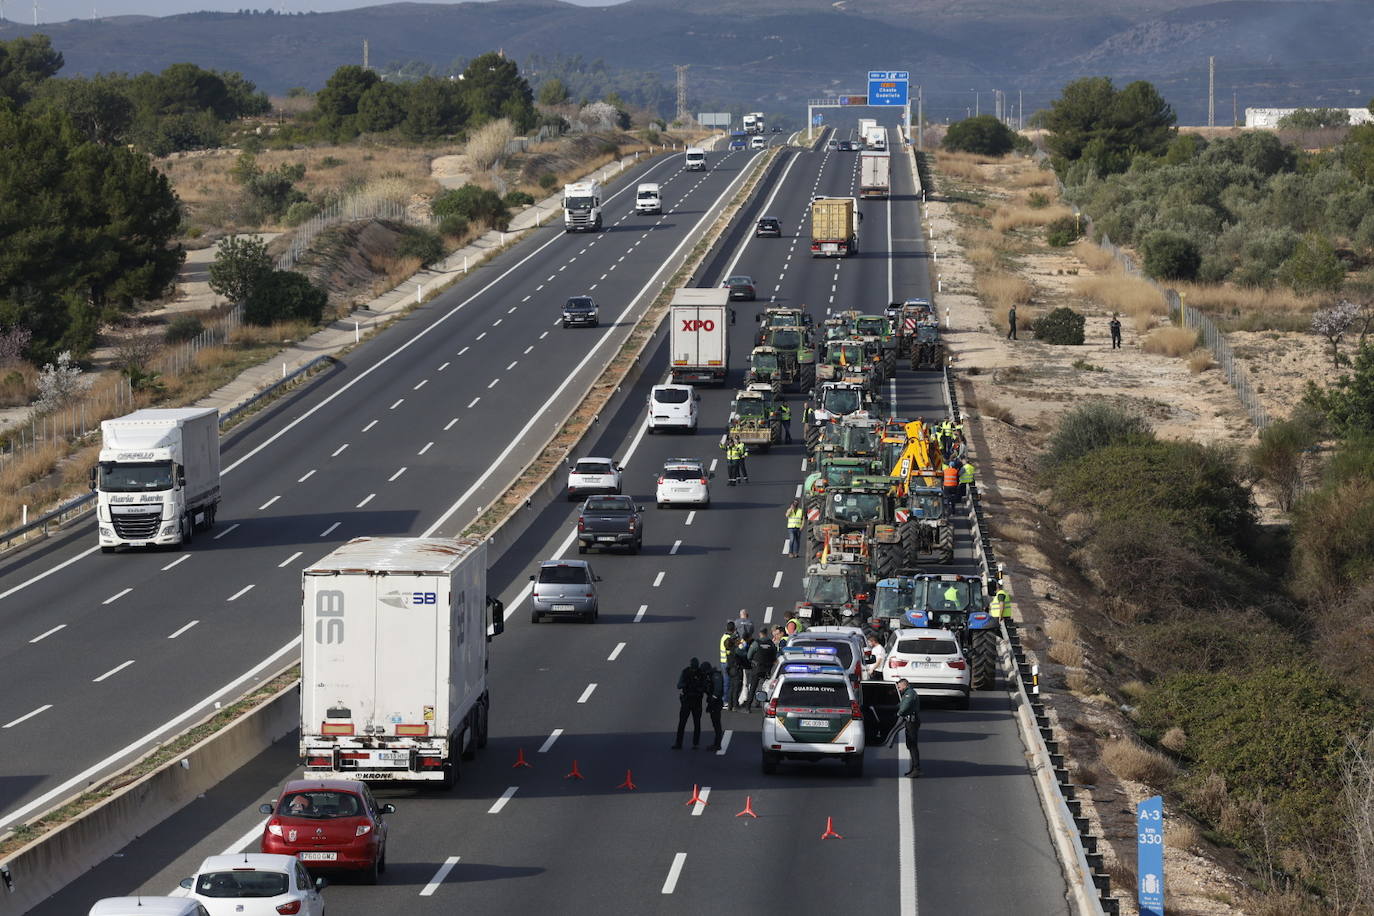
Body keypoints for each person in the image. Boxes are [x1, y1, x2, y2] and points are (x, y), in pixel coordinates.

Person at [673, 657, 707, 749]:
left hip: (692, 701)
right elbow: (679, 685)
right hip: (691, 700)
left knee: (686, 723)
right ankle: (693, 743)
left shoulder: (691, 672)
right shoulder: (696, 673)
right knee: (692, 723)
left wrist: (694, 687)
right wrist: (689, 685)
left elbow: (679, 685)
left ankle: (680, 743)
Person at [744, 631, 776, 713]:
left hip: (757, 669)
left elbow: (749, 656)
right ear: (767, 633)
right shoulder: (771, 643)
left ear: (760, 633)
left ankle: (748, 707)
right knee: (764, 687)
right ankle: (761, 704)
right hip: (767, 669)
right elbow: (774, 655)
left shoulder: (756, 643)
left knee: (753, 688)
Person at [896, 678, 922, 777]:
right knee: (910, 745)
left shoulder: (909, 694)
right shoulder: (908, 693)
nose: (898, 689)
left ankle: (916, 768)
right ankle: (914, 768)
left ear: (905, 685)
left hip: (912, 722)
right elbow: (901, 704)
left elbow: (905, 706)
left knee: (912, 745)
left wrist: (899, 713)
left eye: (899, 687)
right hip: (910, 722)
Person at [702, 662, 725, 751]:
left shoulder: (715, 676)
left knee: (716, 724)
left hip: (716, 703)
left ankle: (717, 744)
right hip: (713, 703)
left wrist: (712, 699)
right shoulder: (710, 676)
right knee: (715, 723)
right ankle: (716, 743)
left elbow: (717, 689)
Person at [719, 623, 737, 705]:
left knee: (726, 681)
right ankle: (725, 701)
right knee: (728, 682)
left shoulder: (724, 637)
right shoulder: (729, 639)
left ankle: (725, 699)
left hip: (723, 662)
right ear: (733, 629)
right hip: (728, 662)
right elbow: (732, 651)